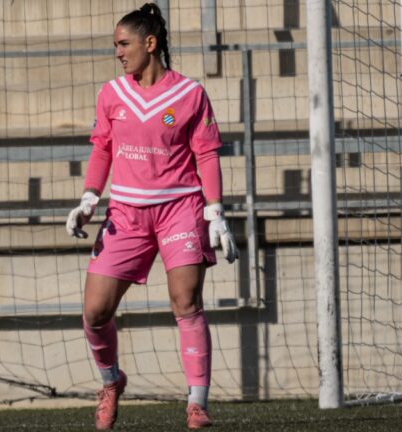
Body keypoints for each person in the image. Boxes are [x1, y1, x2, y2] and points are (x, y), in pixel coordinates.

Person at [66, 3, 238, 429]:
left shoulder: (190, 94)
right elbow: (103, 147)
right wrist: (89, 198)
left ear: (150, 42)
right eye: (115, 45)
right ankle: (111, 382)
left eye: (123, 44)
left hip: (181, 208)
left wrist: (215, 213)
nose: (118, 53)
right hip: (125, 213)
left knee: (186, 302)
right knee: (94, 313)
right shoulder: (112, 93)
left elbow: (207, 155)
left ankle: (197, 403)